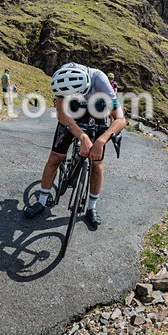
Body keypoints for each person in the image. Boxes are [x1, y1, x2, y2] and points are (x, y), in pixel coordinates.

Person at [24, 62, 127, 227]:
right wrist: (82, 136)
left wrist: (102, 140)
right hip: (71, 114)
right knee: (55, 158)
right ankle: (42, 201)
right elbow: (61, 115)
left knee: (97, 165)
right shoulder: (63, 78)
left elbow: (121, 119)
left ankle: (91, 207)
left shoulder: (99, 80)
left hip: (97, 112)